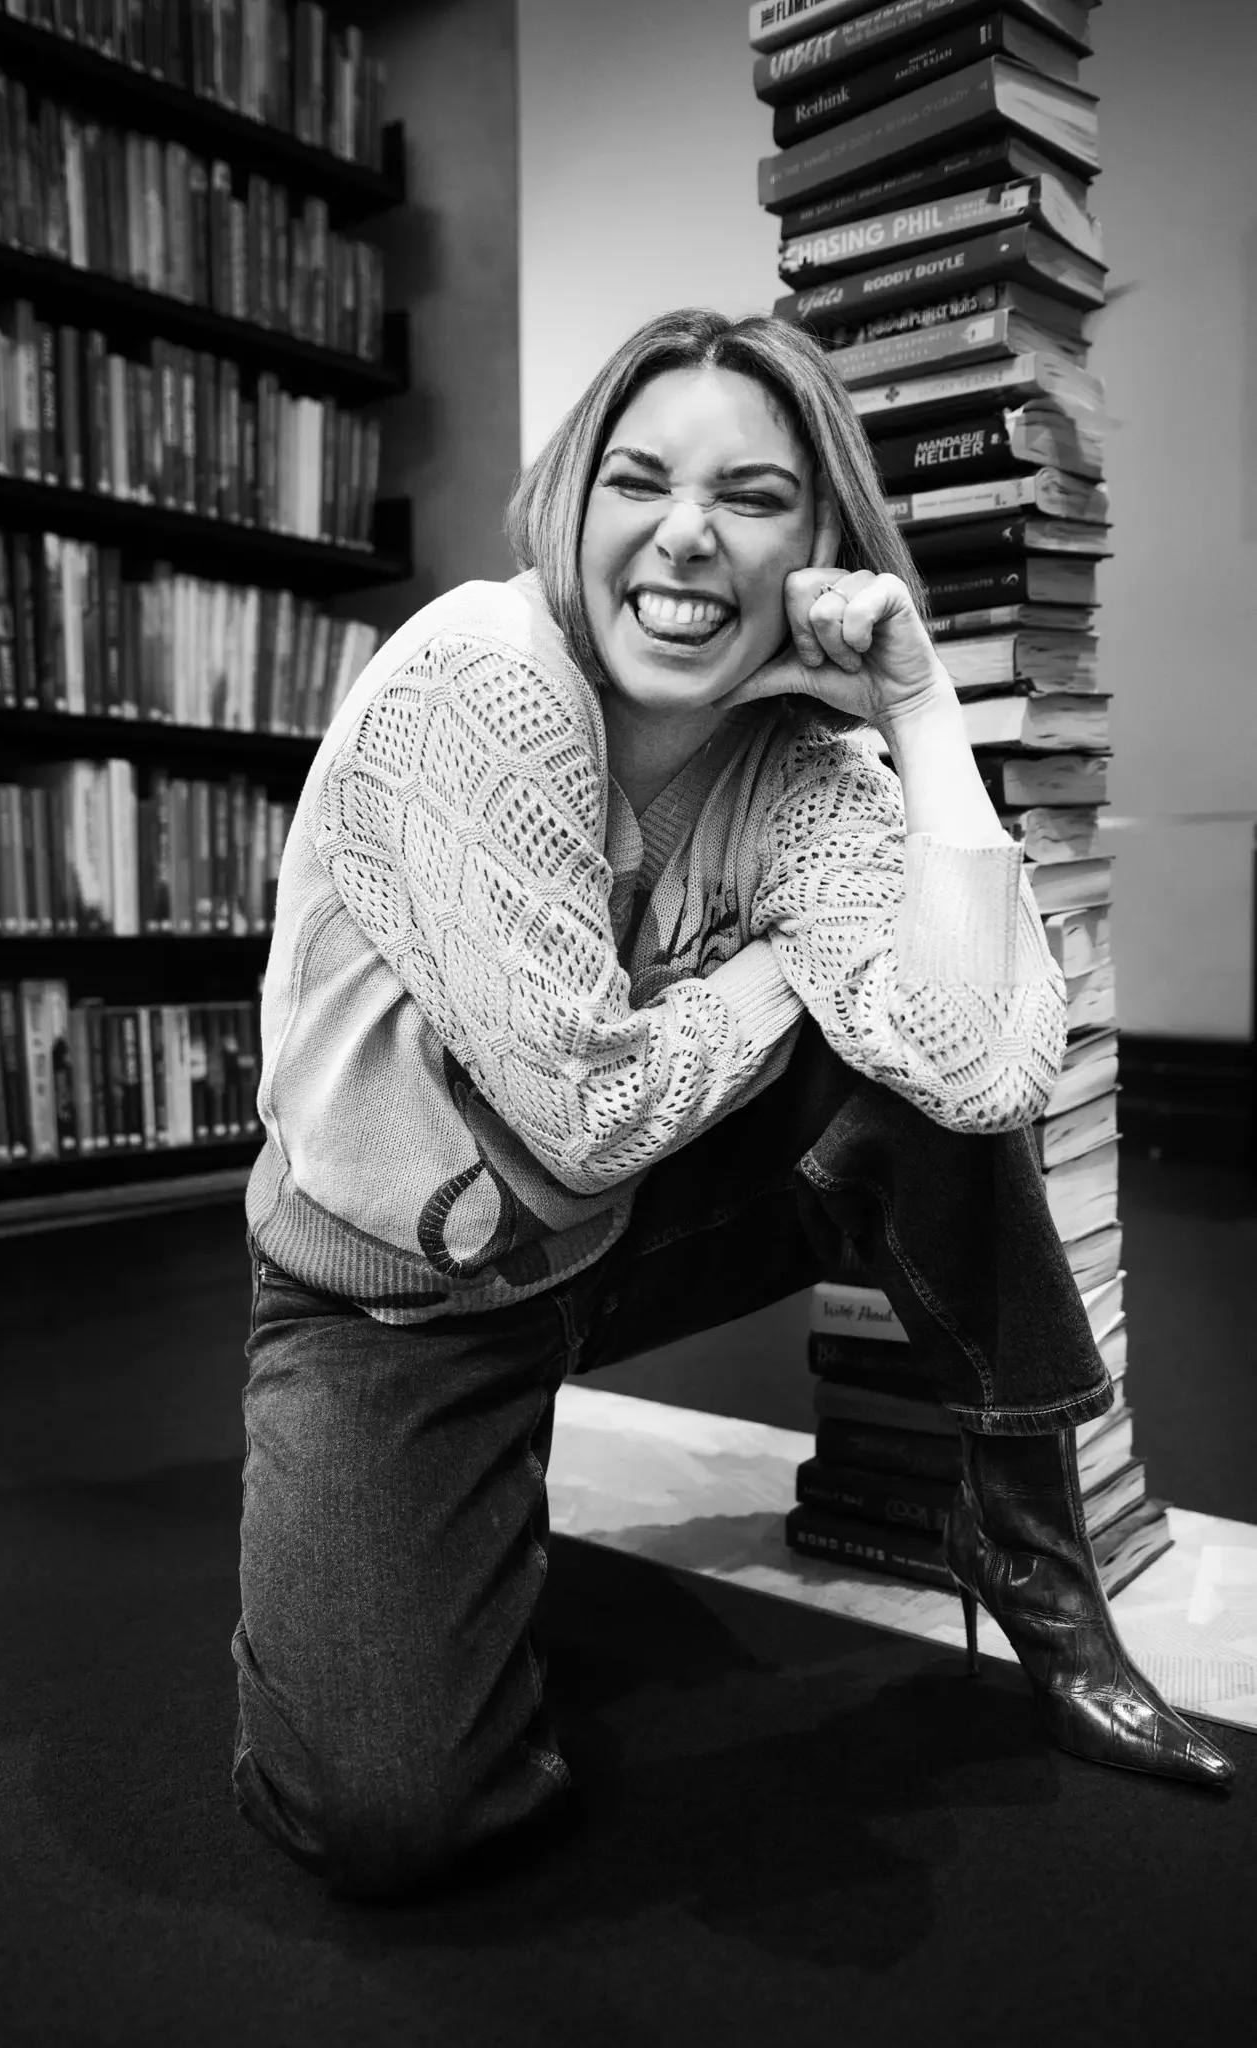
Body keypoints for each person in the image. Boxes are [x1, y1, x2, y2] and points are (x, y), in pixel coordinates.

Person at [232, 309, 1234, 1901]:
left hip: (607, 1243)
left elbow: (980, 1065)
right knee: (393, 1818)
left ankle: (1033, 1561)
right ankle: (431, 1532)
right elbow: (577, 1117)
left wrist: (915, 713)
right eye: (640, 478)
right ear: (573, 500)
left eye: (755, 498)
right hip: (404, 1298)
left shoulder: (798, 766)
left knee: (917, 1036)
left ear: (822, 542)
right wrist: (779, 978)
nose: (687, 534)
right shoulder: (479, 681)